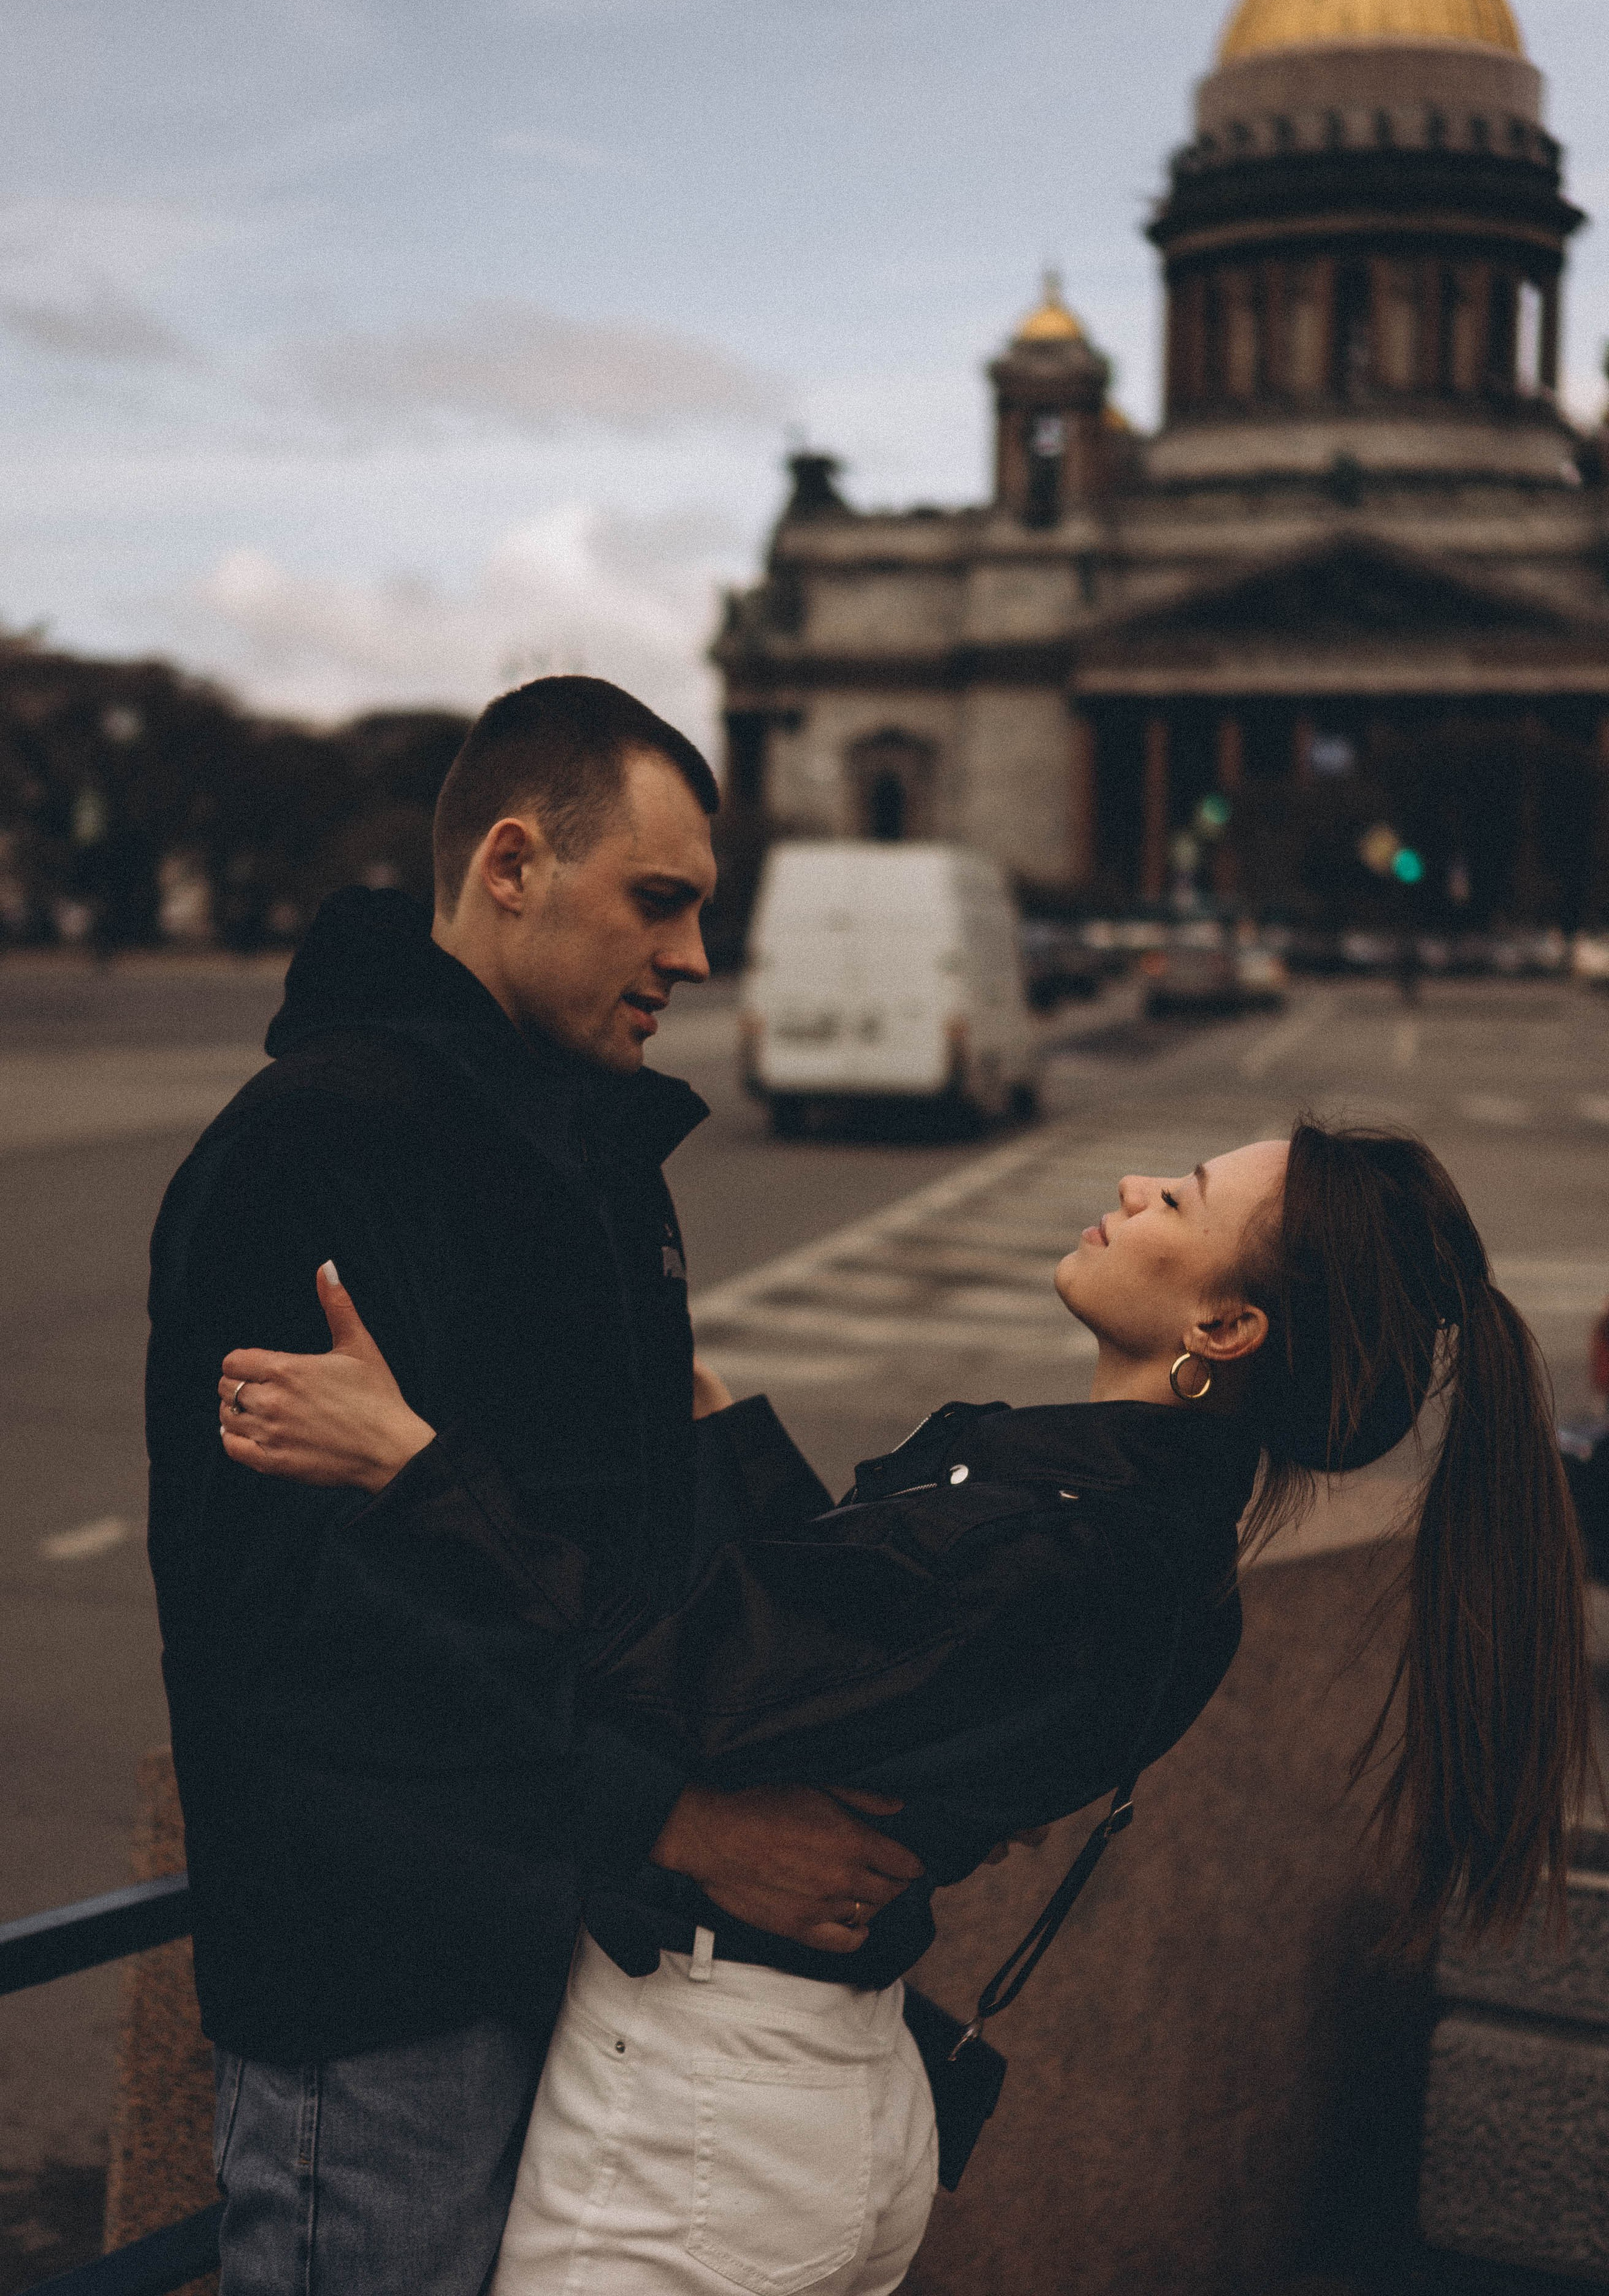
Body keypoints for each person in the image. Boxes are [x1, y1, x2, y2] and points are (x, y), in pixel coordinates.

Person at [219, 1119, 1598, 2296]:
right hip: (808, 2092)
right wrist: (711, 1417)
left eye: (1178, 1201)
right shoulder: (1143, 1542)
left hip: (713, 2111)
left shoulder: (1059, 1550)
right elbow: (836, 1650)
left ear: (1222, 1330)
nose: (1132, 1190)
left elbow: (696, 1673)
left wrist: (409, 1463)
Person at [146, 675, 925, 2296]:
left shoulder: (576, 1148)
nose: (694, 956)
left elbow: (602, 1569)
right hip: (381, 1990)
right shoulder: (319, 1147)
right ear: (512, 865)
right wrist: (682, 1823)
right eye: (658, 900)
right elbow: (302, 1639)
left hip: (564, 1939)